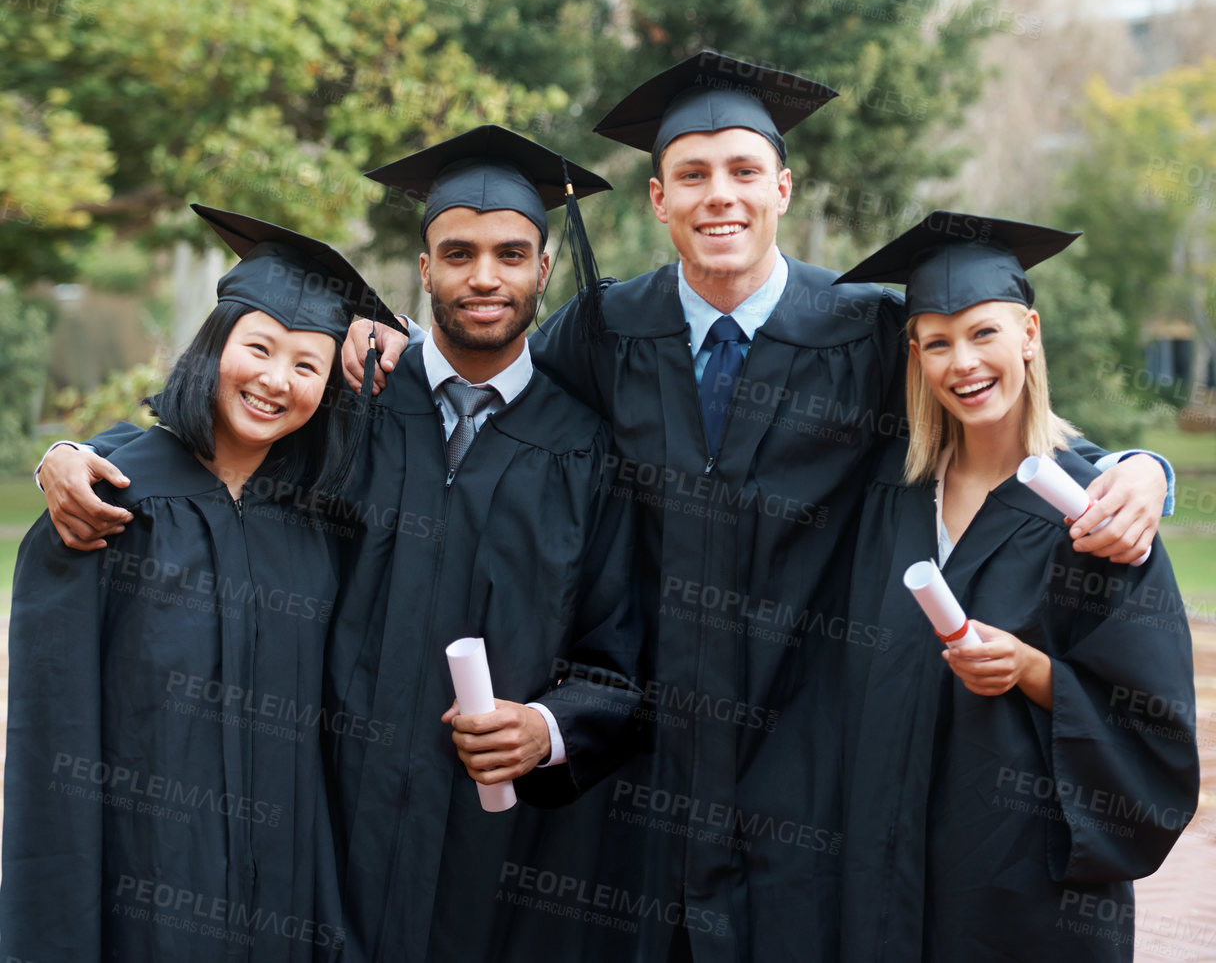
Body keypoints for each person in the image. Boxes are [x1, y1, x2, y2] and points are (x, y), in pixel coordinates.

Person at [345, 51, 1176, 963]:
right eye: (692, 176)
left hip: (806, 753)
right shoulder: (608, 329)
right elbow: (494, 375)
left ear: (782, 186)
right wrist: (384, 340)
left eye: (743, 171)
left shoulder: (861, 329)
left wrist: (1138, 468)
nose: (720, 196)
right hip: (646, 759)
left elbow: (987, 396)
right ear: (659, 200)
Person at [36, 129, 644, 963]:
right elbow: (209, 450)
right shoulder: (349, 408)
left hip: (491, 848)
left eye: (511, 253)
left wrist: (547, 727)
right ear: (423, 270)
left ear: (544, 269)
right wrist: (71, 455)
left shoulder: (586, 451)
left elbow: (619, 661)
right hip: (321, 828)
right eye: (457, 252)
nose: (484, 276)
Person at [1, 203, 401, 963]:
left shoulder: (323, 524)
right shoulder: (109, 500)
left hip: (287, 897)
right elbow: (51, 745)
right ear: (214, 345)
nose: (275, 380)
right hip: (144, 893)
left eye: (307, 365)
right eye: (259, 347)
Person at [832, 211, 1199, 961]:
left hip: (1026, 897)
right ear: (916, 357)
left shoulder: (1094, 512)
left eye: (984, 332)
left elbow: (1153, 730)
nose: (962, 362)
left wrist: (1033, 672)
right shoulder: (891, 499)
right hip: (890, 886)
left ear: (1029, 332)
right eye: (937, 342)